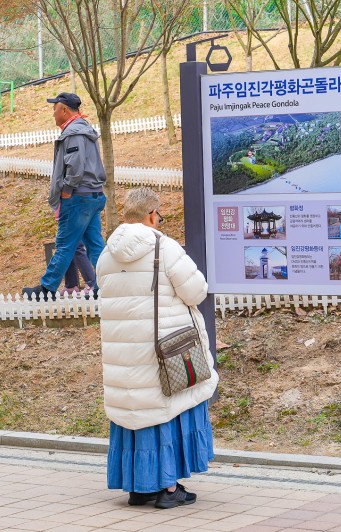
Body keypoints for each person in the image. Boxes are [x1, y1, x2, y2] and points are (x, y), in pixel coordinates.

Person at [96, 187, 217, 509]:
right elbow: (196, 291)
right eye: (159, 216)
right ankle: (167, 487)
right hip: (163, 352)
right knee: (166, 411)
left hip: (122, 355)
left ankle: (140, 488)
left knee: (136, 411)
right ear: (152, 215)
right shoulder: (165, 247)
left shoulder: (106, 254)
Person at [22, 92, 107, 299]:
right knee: (95, 245)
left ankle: (47, 288)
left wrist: (67, 190)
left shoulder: (73, 133)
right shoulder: (85, 129)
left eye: (55, 108)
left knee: (65, 245)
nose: (53, 113)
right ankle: (105, 285)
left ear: (65, 110)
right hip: (93, 195)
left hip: (79, 198)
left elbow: (75, 166)